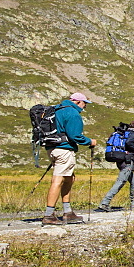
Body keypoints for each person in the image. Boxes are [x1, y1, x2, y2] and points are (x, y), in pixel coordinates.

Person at [42, 92, 96, 225]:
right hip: (64, 149)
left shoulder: (56, 109)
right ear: (78, 102)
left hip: (52, 148)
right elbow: (75, 135)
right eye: (84, 103)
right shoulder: (72, 113)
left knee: (69, 178)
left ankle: (68, 212)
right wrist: (90, 142)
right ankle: (49, 215)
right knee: (58, 179)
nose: (85, 107)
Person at [96, 121, 134, 212]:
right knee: (121, 181)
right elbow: (129, 143)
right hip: (127, 160)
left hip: (120, 159)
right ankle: (104, 203)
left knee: (133, 180)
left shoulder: (124, 133)